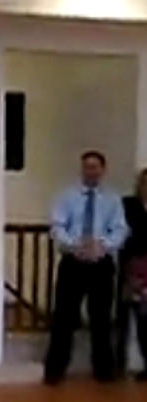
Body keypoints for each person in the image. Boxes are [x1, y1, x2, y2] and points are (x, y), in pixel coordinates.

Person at [44, 151, 128, 385]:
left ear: (103, 170)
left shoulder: (112, 200)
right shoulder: (67, 196)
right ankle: (55, 370)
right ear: (81, 169)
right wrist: (74, 245)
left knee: (101, 318)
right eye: (87, 167)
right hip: (73, 262)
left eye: (95, 167)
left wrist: (103, 246)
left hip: (101, 263)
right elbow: (57, 226)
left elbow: (120, 229)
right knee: (64, 317)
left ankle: (104, 370)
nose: (91, 171)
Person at [117, 167, 147, 380]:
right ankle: (120, 363)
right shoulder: (127, 205)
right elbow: (122, 232)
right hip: (132, 266)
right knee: (129, 317)